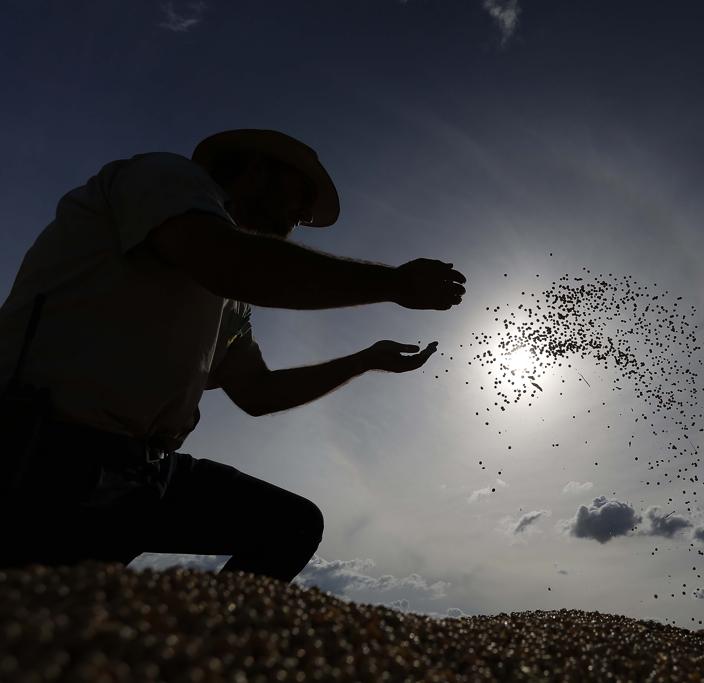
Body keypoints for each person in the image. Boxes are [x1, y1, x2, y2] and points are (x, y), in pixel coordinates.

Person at [0, 129, 466, 583]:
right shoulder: (164, 177)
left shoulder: (232, 302)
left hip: (141, 471)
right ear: (258, 170)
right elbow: (230, 262)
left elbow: (256, 391)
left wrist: (365, 360)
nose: (302, 214)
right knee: (37, 626)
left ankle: (208, 653)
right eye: (301, 195)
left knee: (290, 523)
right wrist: (394, 284)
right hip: (40, 451)